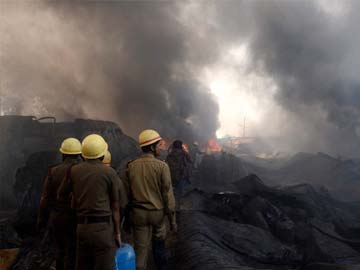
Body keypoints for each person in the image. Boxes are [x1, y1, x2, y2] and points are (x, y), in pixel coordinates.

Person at [58, 134, 121, 270]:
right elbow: (115, 206)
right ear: (102, 154)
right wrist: (117, 233)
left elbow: (61, 195)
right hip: (103, 229)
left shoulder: (74, 171)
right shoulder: (110, 172)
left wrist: (76, 201)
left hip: (82, 228)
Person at [125, 129, 176, 270]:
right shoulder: (162, 167)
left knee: (140, 253)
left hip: (139, 215)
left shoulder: (131, 166)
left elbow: (126, 195)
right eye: (159, 145)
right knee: (159, 247)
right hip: (157, 215)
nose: (161, 147)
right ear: (152, 147)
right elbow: (168, 196)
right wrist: (172, 221)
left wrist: (126, 219)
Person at [38, 138, 82, 270]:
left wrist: (41, 218)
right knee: (73, 251)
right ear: (79, 154)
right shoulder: (81, 171)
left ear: (63, 154)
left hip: (57, 217)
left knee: (59, 251)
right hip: (76, 218)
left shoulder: (53, 171)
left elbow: (44, 199)